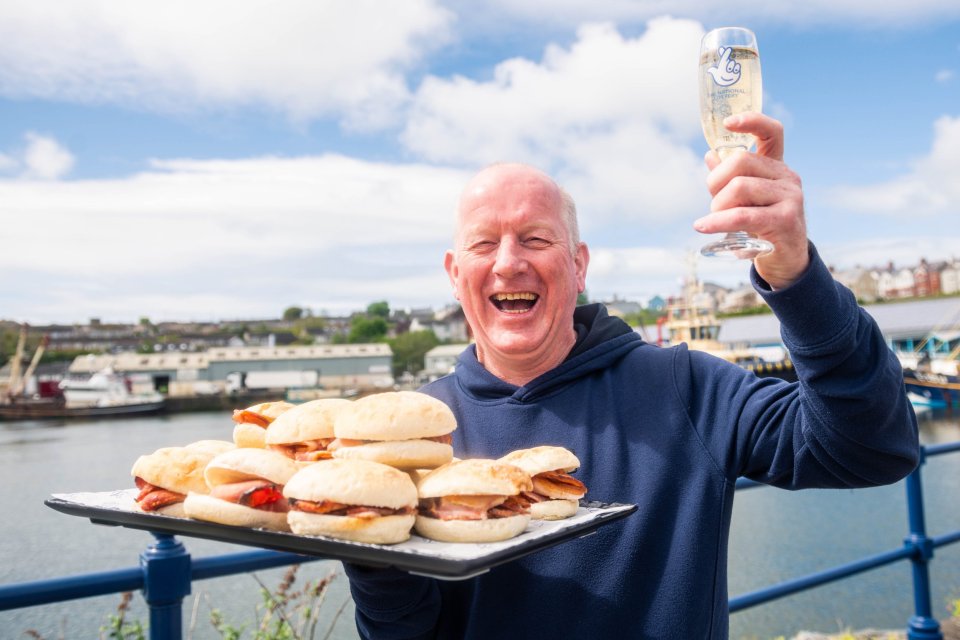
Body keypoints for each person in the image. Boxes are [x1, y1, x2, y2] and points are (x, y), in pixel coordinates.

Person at [343, 112, 920, 639]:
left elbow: (872, 449)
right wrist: (371, 544)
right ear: (454, 273)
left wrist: (796, 274)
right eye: (483, 243)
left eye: (537, 238)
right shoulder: (410, 445)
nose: (508, 261)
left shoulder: (688, 389)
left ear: (579, 265)